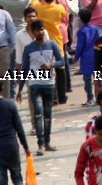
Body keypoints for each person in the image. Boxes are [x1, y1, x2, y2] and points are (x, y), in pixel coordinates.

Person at [17, 19, 66, 154]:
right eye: (37, 30)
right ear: (33, 33)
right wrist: (20, 89)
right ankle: (40, 144)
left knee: (48, 114)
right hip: (35, 85)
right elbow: (25, 69)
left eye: (42, 29)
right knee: (38, 112)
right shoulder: (28, 48)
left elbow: (62, 61)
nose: (40, 32)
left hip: (49, 85)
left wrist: (52, 65)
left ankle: (47, 142)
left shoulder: (52, 45)